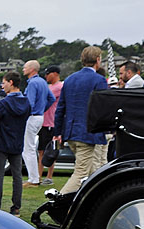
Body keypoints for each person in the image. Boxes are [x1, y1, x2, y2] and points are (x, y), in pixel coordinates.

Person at [54, 46, 109, 194]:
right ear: (98, 60)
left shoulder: (70, 79)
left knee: (92, 173)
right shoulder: (99, 80)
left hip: (71, 132)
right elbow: (103, 108)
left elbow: (60, 108)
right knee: (81, 174)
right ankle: (58, 202)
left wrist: (57, 132)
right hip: (88, 134)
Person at [0, 72, 30, 216]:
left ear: (11, 82)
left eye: (4, 82)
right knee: (17, 176)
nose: (3, 86)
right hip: (17, 141)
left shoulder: (3, 103)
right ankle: (16, 207)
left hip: (1, 142)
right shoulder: (26, 102)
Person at [22, 60, 56, 186]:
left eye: (25, 67)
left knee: (28, 148)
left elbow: (29, 104)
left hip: (32, 117)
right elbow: (51, 98)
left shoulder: (32, 83)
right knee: (31, 147)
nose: (23, 69)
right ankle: (35, 177)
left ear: (32, 69)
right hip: (40, 117)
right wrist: (42, 109)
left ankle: (33, 179)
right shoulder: (42, 82)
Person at [39, 66, 63, 185]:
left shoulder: (59, 87)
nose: (46, 76)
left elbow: (43, 97)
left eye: (48, 73)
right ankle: (38, 176)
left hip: (52, 123)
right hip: (44, 123)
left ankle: (48, 177)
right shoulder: (49, 87)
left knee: (51, 151)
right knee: (41, 151)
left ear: (55, 73)